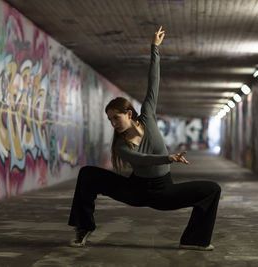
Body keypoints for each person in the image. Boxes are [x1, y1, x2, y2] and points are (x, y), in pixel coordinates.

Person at [68, 26, 221, 251]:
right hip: (135, 190)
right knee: (87, 175)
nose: (113, 123)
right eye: (109, 120)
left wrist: (154, 49)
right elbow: (143, 160)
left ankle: (195, 240)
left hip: (164, 192)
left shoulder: (147, 115)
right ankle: (84, 227)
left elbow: (153, 83)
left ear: (129, 114)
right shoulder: (121, 146)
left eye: (116, 118)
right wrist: (168, 158)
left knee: (212, 189)